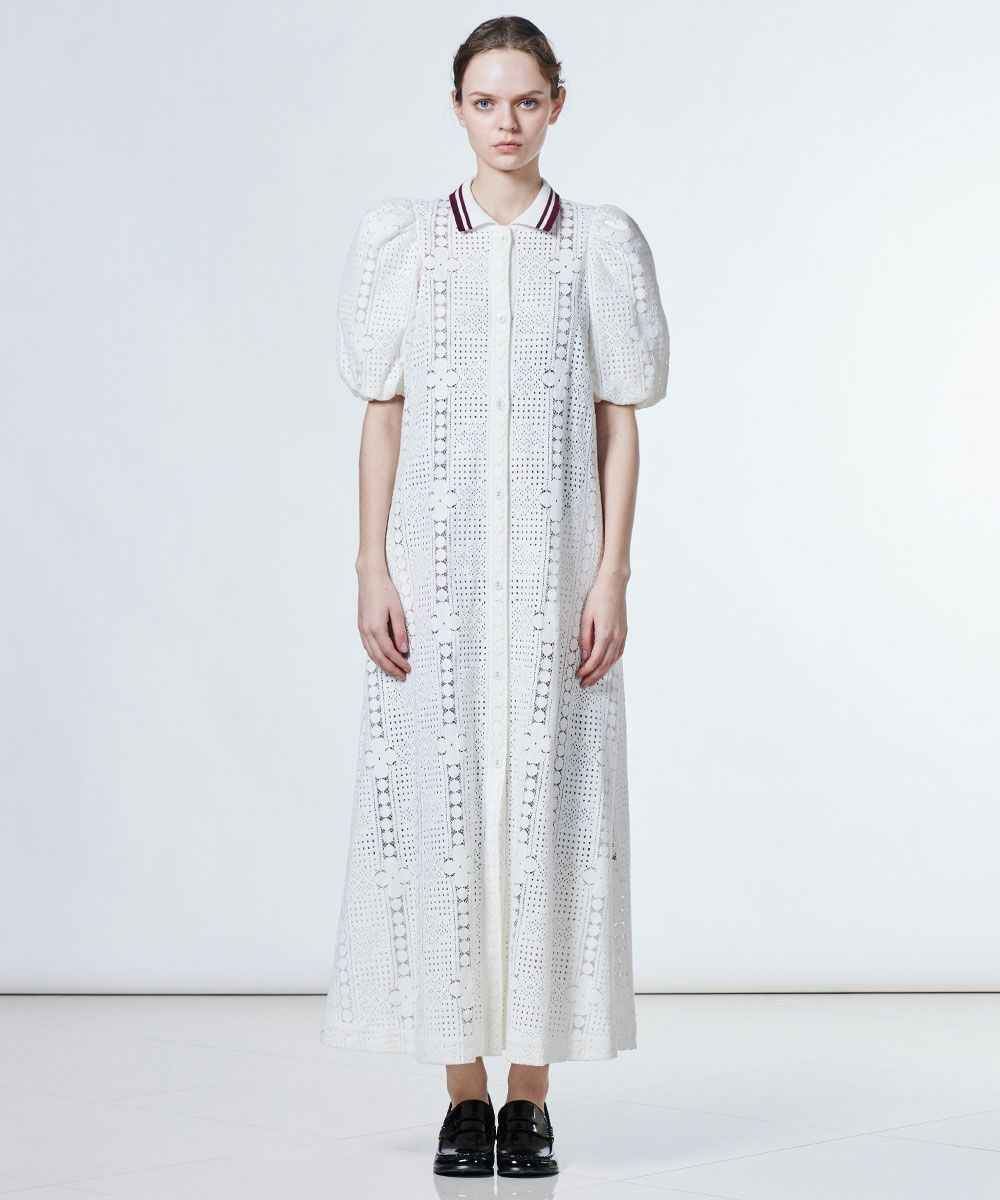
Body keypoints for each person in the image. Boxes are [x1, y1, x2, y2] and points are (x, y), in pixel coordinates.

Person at [321, 15, 670, 1178]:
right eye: (485, 101)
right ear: (457, 108)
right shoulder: (411, 241)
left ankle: (530, 1097)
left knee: (548, 819)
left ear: (556, 104)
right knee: (443, 816)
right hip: (441, 586)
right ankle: (461, 1097)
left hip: (555, 588)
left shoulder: (598, 245)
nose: (506, 123)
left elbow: (618, 419)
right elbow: (383, 410)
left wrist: (610, 572)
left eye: (526, 101)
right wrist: (372, 564)